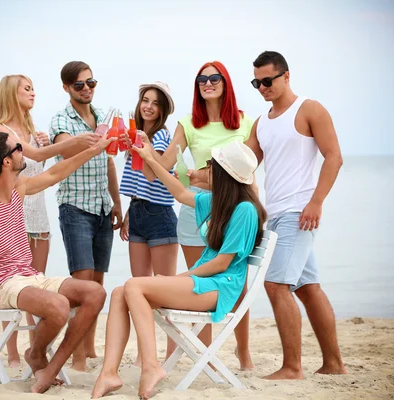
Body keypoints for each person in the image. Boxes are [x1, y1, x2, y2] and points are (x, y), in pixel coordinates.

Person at [92, 139, 267, 399]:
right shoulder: (217, 201)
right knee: (120, 292)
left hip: (221, 287)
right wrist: (150, 159)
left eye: (210, 165)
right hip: (205, 283)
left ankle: (151, 367)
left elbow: (222, 263)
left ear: (222, 173)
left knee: (134, 285)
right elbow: (179, 193)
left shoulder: (245, 210)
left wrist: (178, 278)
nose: (205, 169)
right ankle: (108, 373)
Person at [0, 132, 115, 393]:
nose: (22, 152)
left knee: (95, 292)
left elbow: (56, 173)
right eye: (17, 149)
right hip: (2, 283)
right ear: (6, 161)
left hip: (30, 275)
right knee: (59, 306)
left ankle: (49, 367)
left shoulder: (18, 188)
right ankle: (38, 356)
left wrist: (95, 150)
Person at [141, 61, 256, 369]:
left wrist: (254, 210)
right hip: (198, 207)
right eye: (201, 79)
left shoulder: (245, 122)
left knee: (236, 279)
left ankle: (242, 350)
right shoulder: (189, 123)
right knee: (200, 276)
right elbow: (166, 164)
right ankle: (201, 352)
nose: (207, 83)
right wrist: (143, 149)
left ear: (225, 82)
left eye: (214, 77)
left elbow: (249, 171)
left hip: (236, 208)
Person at [246, 50, 347, 379]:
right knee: (307, 288)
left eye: (268, 80)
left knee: (276, 285)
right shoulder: (261, 122)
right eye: (256, 82)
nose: (262, 87)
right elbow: (244, 163)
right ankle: (334, 365)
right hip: (274, 216)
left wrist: (316, 202)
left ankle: (292, 368)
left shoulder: (310, 109)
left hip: (299, 213)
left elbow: (333, 157)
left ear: (286, 76)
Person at [49, 61, 122, 371]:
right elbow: (66, 151)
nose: (87, 89)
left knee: (98, 283)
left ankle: (89, 349)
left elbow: (108, 162)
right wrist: (94, 140)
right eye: (79, 85)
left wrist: (117, 202)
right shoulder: (60, 120)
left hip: (103, 207)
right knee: (82, 284)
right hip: (75, 207)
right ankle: (76, 356)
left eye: (91, 82)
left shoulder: (104, 116)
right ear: (67, 87)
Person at [0, 74, 53, 366]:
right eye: (27, 89)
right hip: (12, 214)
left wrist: (47, 146)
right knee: (13, 284)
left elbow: (37, 168)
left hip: (38, 213)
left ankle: (33, 347)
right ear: (11, 94)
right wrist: (75, 145)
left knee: (36, 286)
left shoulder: (30, 129)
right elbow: (32, 159)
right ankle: (12, 354)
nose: (33, 93)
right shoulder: (1, 131)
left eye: (33, 89)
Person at [118, 81, 178, 364]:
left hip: (161, 215)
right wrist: (130, 212)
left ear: (163, 110)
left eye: (155, 103)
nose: (149, 106)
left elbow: (156, 177)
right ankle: (145, 355)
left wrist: (147, 147)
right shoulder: (134, 136)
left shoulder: (162, 138)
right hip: (139, 212)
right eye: (145, 100)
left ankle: (170, 353)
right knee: (138, 292)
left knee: (165, 291)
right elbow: (138, 184)